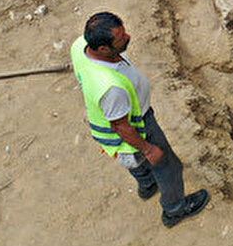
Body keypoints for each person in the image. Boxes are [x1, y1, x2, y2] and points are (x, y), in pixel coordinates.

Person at [70, 12, 210, 228]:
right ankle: (174, 209)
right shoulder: (111, 89)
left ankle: (147, 184)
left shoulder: (80, 46)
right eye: (121, 38)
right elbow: (121, 126)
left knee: (135, 161)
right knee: (168, 166)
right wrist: (148, 148)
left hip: (109, 131)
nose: (128, 37)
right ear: (103, 49)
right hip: (136, 126)